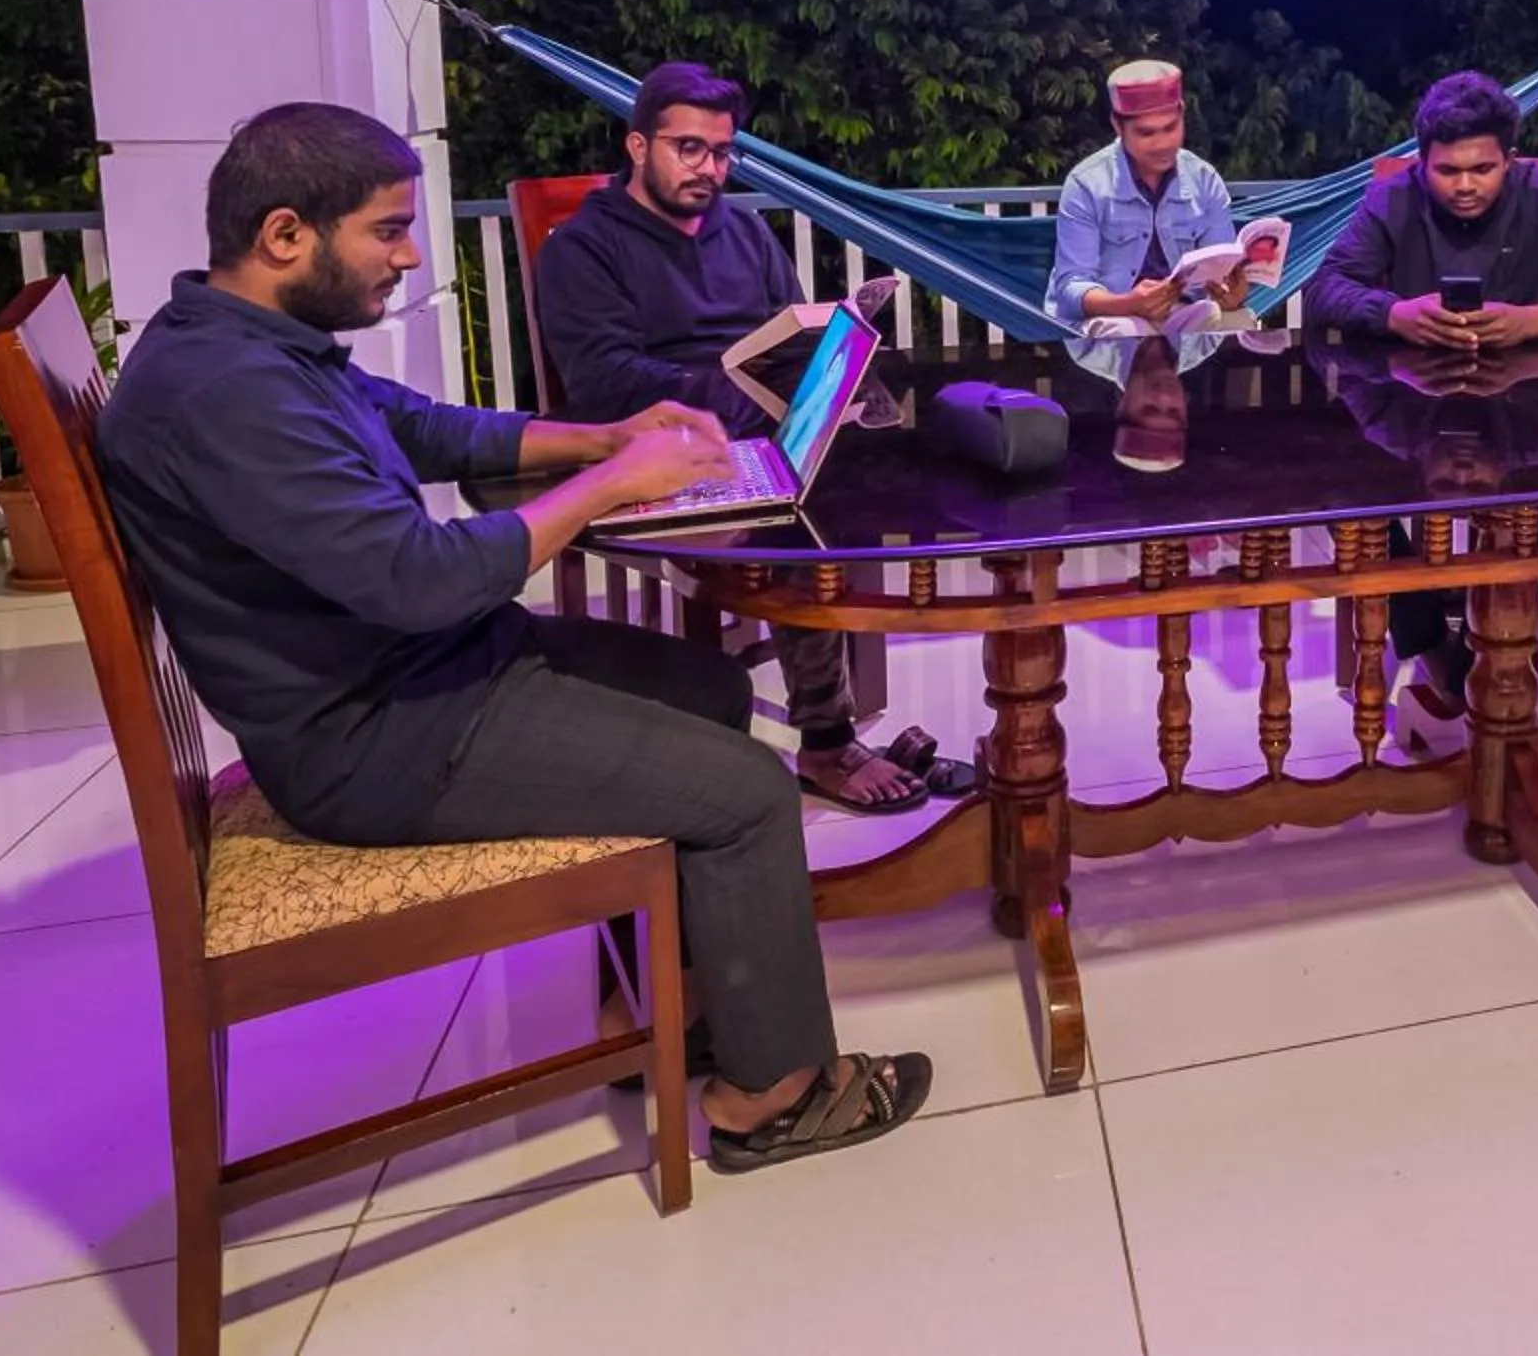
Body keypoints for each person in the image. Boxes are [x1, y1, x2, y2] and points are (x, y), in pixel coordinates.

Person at [97, 103, 931, 1171]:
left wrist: (606, 435)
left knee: (708, 692)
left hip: (414, 679)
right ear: (285, 235)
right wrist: (607, 486)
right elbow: (420, 579)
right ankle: (773, 1095)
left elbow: (419, 424)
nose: (409, 256)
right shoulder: (225, 397)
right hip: (382, 738)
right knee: (754, 792)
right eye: (388, 230)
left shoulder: (251, 343)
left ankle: (667, 1011)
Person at [532, 62, 940, 815]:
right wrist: (734, 391)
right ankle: (827, 740)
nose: (708, 169)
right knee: (795, 527)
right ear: (637, 145)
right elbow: (606, 384)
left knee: (897, 473)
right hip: (659, 452)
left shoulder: (744, 233)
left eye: (722, 152)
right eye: (687, 148)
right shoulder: (583, 249)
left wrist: (825, 375)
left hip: (764, 430)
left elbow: (788, 328)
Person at [1305, 70, 1538, 728]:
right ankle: (1435, 644)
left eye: (1481, 169)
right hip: (1404, 399)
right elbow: (1324, 292)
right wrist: (1397, 313)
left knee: (1526, 494)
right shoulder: (1392, 198)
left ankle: (1494, 649)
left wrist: (1533, 320)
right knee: (1354, 505)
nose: (1463, 185)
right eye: (1447, 169)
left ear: (1507, 161)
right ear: (1423, 161)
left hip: (1519, 398)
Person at [1047, 58, 1244, 330]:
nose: (1162, 144)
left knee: (1239, 322)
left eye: (1170, 128)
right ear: (1118, 125)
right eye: (1146, 133)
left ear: (1182, 114)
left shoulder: (1204, 179)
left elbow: (1221, 269)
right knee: (1124, 331)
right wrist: (1129, 303)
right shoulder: (1086, 184)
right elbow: (1070, 288)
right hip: (1114, 316)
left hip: (1186, 314)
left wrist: (1230, 295)